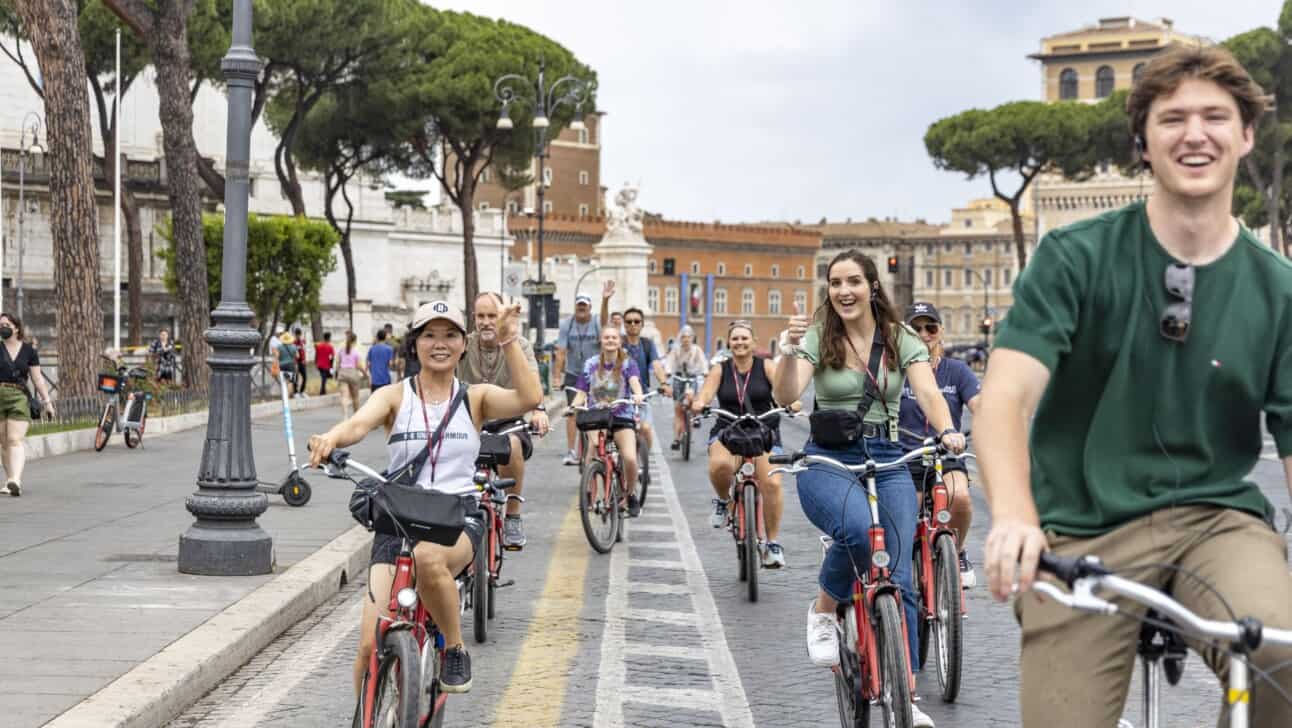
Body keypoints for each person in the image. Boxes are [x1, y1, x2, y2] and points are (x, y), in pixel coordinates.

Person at [977, 46, 1292, 727]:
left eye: (1216, 116)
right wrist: (1013, 517)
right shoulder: (1075, 257)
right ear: (1143, 143)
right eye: (1172, 118)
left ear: (1245, 136)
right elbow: (1005, 397)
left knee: (1280, 654)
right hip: (1083, 528)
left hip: (1219, 522)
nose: (1195, 133)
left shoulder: (1278, 289)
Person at [308, 299, 540, 696]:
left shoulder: (476, 398)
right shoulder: (394, 396)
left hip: (456, 517)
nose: (440, 343)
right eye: (429, 334)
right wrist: (330, 438)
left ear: (463, 345)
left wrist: (508, 339)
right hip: (399, 517)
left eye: (450, 334)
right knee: (367, 648)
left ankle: (454, 646)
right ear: (414, 344)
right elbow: (358, 424)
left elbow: (528, 398)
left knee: (428, 558)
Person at [773, 250, 964, 728]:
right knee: (857, 532)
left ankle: (908, 694)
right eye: (835, 282)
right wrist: (788, 350)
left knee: (900, 576)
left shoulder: (900, 339)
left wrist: (946, 431)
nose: (844, 291)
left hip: (889, 455)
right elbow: (786, 395)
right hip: (827, 457)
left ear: (872, 286)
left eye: (853, 281)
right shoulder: (819, 334)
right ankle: (823, 610)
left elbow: (928, 392)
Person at [690, 320, 787, 568]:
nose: (740, 342)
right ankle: (724, 501)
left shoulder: (766, 366)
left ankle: (772, 544)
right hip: (728, 430)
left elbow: (783, 392)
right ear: (729, 343)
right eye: (735, 339)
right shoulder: (720, 369)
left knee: (773, 483)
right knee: (719, 466)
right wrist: (700, 403)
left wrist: (792, 404)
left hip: (764, 430)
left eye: (745, 338)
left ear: (754, 342)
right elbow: (706, 394)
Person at [897, 302, 980, 588]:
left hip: (946, 453)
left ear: (940, 331)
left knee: (960, 498)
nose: (924, 334)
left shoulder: (956, 370)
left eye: (930, 327)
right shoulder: (895, 370)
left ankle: (956, 552)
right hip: (905, 455)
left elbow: (978, 404)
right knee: (908, 511)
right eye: (915, 329)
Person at [458, 291, 549, 550]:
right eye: (481, 316)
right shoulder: (463, 344)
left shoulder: (519, 344)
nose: (487, 322)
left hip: (508, 420)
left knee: (512, 445)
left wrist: (539, 410)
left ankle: (512, 514)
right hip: (470, 421)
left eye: (493, 316)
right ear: (473, 318)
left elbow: (533, 382)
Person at [571, 326, 646, 516]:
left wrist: (637, 395)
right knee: (594, 447)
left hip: (622, 416)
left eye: (614, 337)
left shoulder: (628, 364)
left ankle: (630, 494)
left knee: (629, 456)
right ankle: (588, 492)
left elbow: (635, 383)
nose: (610, 340)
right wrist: (573, 406)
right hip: (597, 416)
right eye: (606, 337)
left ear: (619, 341)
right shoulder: (590, 364)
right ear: (601, 341)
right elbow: (581, 393)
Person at [554, 281, 611, 465]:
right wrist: (556, 376)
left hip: (595, 375)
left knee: (598, 410)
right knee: (572, 412)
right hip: (573, 373)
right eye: (579, 305)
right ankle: (571, 451)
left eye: (584, 306)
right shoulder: (567, 325)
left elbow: (604, 321)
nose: (581, 309)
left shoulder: (596, 322)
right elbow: (561, 351)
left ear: (590, 308)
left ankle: (600, 446)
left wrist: (605, 301)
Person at [0, 314, 53, 497]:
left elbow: (37, 379)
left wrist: (47, 402)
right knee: (4, 442)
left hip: (18, 397)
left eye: (6, 324)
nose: (3, 328)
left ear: (16, 328)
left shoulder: (29, 351)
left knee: (14, 439)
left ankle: (16, 479)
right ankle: (9, 480)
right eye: (1, 325)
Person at [621, 307, 668, 454]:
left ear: (642, 324)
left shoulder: (647, 344)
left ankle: (645, 463)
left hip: (641, 397)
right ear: (624, 324)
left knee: (646, 428)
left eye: (636, 321)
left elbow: (656, 364)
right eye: (629, 322)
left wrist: (664, 383)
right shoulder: (618, 343)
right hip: (619, 397)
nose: (633, 324)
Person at [662, 325, 707, 450]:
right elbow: (669, 362)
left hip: (692, 378)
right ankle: (677, 438)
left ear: (692, 338)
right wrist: (668, 371)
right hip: (679, 379)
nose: (686, 340)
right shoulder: (676, 350)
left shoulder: (697, 350)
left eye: (688, 337)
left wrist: (705, 371)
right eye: (683, 337)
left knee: (693, 396)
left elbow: (703, 362)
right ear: (680, 339)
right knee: (678, 410)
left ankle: (695, 416)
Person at [335, 331, 366, 419]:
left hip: (342, 373)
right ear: (355, 341)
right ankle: (356, 416)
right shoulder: (356, 352)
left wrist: (337, 372)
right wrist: (365, 374)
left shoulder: (341, 351)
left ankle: (345, 416)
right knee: (355, 397)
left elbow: (337, 363)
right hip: (353, 373)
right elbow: (359, 366)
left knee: (344, 396)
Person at [293, 327, 309, 397]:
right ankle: (295, 392)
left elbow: (304, 348)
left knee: (305, 377)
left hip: (302, 362)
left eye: (300, 335)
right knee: (296, 377)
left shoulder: (302, 342)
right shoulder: (293, 342)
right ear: (295, 335)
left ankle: (302, 391)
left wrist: (305, 360)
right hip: (296, 363)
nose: (299, 336)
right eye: (297, 335)